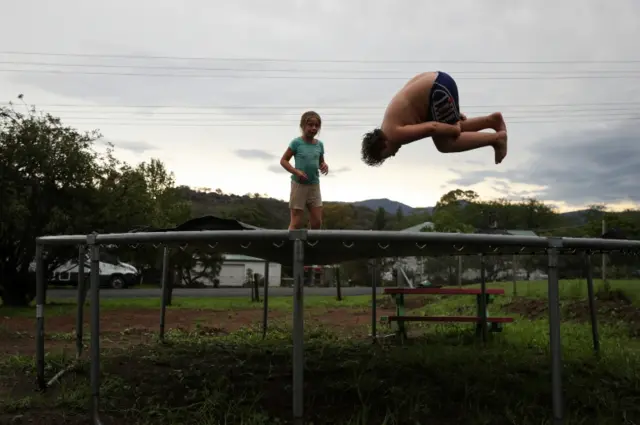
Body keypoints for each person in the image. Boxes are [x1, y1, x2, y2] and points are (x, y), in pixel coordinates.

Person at [360, 71, 508, 167]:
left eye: (387, 155)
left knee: (445, 144)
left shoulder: (394, 135)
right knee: (445, 132)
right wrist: (452, 115)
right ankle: (492, 120)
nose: (392, 154)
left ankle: (496, 139)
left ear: (383, 145)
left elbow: (432, 128)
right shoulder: (388, 123)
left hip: (436, 90)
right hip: (439, 81)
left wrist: (453, 128)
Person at [280, 111, 329, 230]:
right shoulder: (296, 143)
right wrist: (296, 171)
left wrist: (324, 165)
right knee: (296, 223)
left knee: (317, 222)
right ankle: (291, 247)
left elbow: (320, 162)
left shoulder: (319, 145)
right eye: (310, 125)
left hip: (314, 185)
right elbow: (283, 161)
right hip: (299, 185)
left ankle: (313, 246)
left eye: (316, 125)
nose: (313, 128)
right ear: (303, 126)